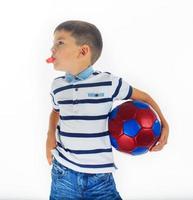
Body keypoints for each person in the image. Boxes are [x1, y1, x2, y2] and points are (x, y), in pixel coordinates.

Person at [46, 20, 169, 200]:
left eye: (60, 42)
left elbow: (144, 97)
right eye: (53, 43)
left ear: (83, 51)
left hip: (100, 178)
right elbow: (55, 112)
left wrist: (165, 124)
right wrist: (49, 137)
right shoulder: (57, 86)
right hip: (64, 173)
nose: (52, 49)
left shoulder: (109, 82)